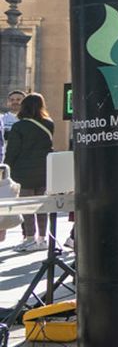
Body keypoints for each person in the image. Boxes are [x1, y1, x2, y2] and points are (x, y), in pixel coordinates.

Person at [4, 93, 54, 249]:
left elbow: (12, 151)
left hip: (23, 172)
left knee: (26, 206)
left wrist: (5, 168)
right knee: (42, 206)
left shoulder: (19, 126)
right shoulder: (49, 123)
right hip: (44, 170)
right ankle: (42, 239)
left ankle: (30, 238)